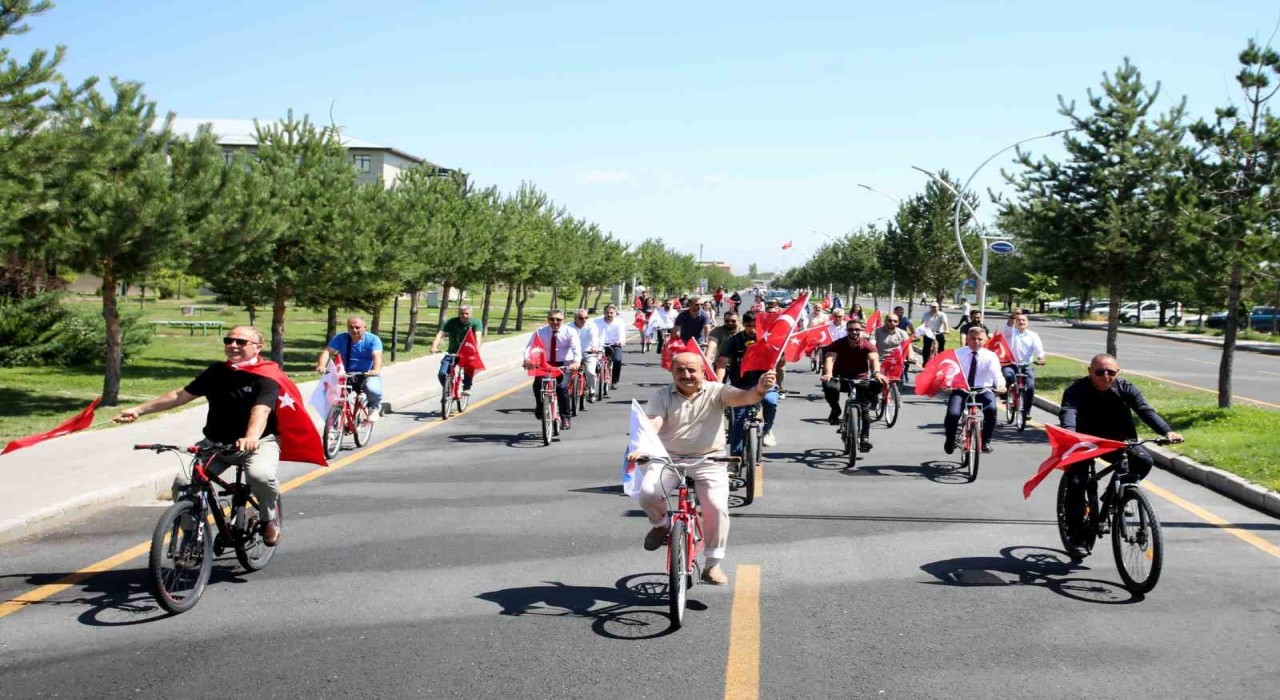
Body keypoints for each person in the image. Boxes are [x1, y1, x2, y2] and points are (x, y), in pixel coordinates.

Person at [116, 326, 285, 545]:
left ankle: (269, 518)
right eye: (229, 340)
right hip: (215, 444)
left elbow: (261, 410)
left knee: (260, 476)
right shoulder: (217, 372)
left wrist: (251, 437)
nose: (232, 346)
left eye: (240, 342)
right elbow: (180, 395)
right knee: (185, 481)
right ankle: (189, 538)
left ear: (257, 348)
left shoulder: (268, 375)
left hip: (257, 443)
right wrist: (139, 410)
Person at [628, 352, 778, 586]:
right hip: (669, 458)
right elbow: (653, 422)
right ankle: (661, 526)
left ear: (702, 372)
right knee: (647, 492)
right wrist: (643, 445)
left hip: (709, 460)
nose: (686, 375)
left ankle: (712, 564)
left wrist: (759, 389)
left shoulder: (717, 391)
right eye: (680, 370)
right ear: (672, 372)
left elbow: (745, 397)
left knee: (716, 507)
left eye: (692, 370)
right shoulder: (662, 395)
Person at [1058, 353, 1184, 558]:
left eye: (1110, 372)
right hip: (1084, 440)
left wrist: (1166, 431)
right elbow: (1068, 411)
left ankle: (1117, 496)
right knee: (1077, 481)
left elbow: (1145, 410)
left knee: (1143, 461)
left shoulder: (1126, 388)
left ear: (1118, 373)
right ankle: (1076, 534)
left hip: (1118, 440)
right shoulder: (1076, 389)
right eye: (1099, 372)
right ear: (1090, 371)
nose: (1105, 376)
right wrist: (1070, 432)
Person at [717, 310, 783, 448]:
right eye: (749, 326)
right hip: (740, 385)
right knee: (739, 419)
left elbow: (782, 361)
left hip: (765, 383)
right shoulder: (734, 341)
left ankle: (767, 430)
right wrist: (717, 383)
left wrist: (780, 357)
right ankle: (735, 458)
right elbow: (722, 363)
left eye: (755, 326)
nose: (752, 330)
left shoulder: (768, 339)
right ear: (743, 325)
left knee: (771, 402)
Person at [819, 318, 884, 451]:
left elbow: (874, 360)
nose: (854, 332)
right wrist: (828, 374)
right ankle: (835, 410)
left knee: (865, 410)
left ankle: (864, 439)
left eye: (857, 330)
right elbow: (830, 359)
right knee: (829, 386)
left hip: (860, 379)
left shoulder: (867, 345)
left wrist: (876, 373)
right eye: (850, 330)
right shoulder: (837, 344)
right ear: (846, 330)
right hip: (840, 378)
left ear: (861, 331)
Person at [943, 327, 1005, 455]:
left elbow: (997, 373)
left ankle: (986, 441)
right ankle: (950, 439)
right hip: (961, 389)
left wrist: (1000, 385)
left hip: (983, 389)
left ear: (985, 340)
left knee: (991, 410)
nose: (976, 341)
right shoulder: (957, 354)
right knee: (953, 414)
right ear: (967, 339)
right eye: (973, 338)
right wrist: (948, 384)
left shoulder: (990, 356)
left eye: (979, 339)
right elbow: (950, 371)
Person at [317, 316, 383, 421]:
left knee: (372, 389)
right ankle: (333, 422)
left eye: (357, 327)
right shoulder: (340, 338)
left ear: (365, 327)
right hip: (346, 374)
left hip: (367, 374)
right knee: (332, 395)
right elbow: (327, 352)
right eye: (351, 327)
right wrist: (321, 366)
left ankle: (374, 407)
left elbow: (377, 356)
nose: (354, 330)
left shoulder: (373, 340)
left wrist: (375, 370)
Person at [524, 309, 581, 430]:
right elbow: (530, 346)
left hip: (564, 364)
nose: (555, 322)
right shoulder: (540, 332)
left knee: (562, 388)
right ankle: (540, 406)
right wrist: (527, 360)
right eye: (552, 319)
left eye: (558, 319)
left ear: (563, 320)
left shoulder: (570, 331)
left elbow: (576, 347)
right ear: (548, 319)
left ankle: (565, 417)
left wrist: (576, 361)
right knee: (538, 384)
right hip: (545, 364)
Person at [430, 305, 483, 397]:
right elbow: (440, 334)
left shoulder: (476, 322)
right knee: (442, 373)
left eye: (467, 314)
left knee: (469, 367)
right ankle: (448, 389)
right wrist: (434, 347)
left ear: (471, 314)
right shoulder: (451, 322)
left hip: (467, 352)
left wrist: (476, 351)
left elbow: (478, 337)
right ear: (459, 314)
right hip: (452, 352)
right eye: (462, 313)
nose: (464, 316)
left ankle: (467, 387)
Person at [1002, 312, 1046, 420]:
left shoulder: (1033, 335)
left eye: (1023, 320)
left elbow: (1039, 349)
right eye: (1018, 320)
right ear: (1015, 322)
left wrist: (1041, 358)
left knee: (1030, 387)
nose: (1021, 322)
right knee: (1008, 376)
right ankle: (1007, 395)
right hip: (1010, 363)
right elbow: (1008, 325)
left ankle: (1026, 411)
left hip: (1026, 365)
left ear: (1027, 323)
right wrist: (1012, 316)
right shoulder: (1009, 332)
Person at [592, 303, 628, 389]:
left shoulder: (619, 322)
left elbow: (622, 334)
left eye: (611, 313)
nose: (609, 315)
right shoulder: (596, 322)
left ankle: (614, 381)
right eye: (607, 312)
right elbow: (591, 332)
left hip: (615, 344)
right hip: (600, 345)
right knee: (592, 362)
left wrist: (621, 341)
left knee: (617, 360)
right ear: (604, 313)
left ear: (615, 313)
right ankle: (593, 380)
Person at [572, 308, 602, 406]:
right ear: (575, 318)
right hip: (573, 354)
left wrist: (594, 347)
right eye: (581, 318)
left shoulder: (591, 325)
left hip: (588, 353)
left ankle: (592, 392)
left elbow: (594, 337)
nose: (584, 320)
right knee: (566, 373)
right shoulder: (568, 327)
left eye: (586, 317)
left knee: (591, 372)